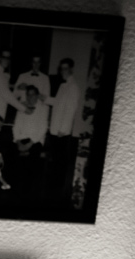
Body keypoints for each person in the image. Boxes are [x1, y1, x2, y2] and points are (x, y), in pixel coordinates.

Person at [42, 59, 81, 203]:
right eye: (61, 69)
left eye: (65, 69)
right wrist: (44, 98)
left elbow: (71, 110)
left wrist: (63, 130)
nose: (63, 71)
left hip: (61, 133)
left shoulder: (73, 87)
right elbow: (58, 102)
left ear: (71, 69)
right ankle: (53, 192)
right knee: (55, 163)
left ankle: (57, 196)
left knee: (60, 164)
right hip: (55, 131)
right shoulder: (63, 86)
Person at [0, 50, 28, 122]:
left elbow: (3, 86)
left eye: (8, 58)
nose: (6, 60)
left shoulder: (0, 73)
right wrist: (24, 109)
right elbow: (8, 96)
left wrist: (16, 86)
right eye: (4, 57)